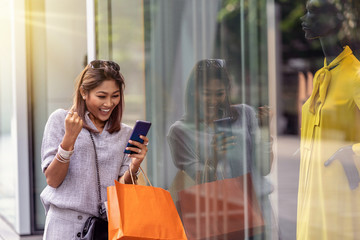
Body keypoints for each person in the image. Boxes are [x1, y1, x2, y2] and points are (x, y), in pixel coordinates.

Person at [40, 60, 149, 239]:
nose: (109, 103)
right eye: (101, 96)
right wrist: (69, 140)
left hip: (107, 228)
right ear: (84, 92)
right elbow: (52, 180)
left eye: (115, 95)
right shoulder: (60, 120)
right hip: (64, 227)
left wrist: (135, 165)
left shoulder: (125, 133)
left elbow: (123, 192)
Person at [167, 59, 275, 239]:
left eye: (220, 94)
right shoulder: (180, 131)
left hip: (256, 210)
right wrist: (214, 156)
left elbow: (265, 169)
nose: (213, 100)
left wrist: (264, 131)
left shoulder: (245, 114)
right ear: (194, 92)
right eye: (206, 94)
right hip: (214, 216)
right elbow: (200, 182)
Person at [297, 0, 360, 239]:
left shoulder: (355, 76)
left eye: (313, 12)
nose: (304, 19)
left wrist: (352, 153)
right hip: (313, 190)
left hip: (342, 195)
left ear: (335, 20)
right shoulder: (324, 74)